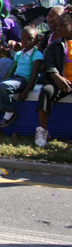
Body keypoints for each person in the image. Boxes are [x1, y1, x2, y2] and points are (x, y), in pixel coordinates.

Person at [0, 26, 43, 131]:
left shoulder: (37, 55)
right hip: (15, 78)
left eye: (30, 38)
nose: (26, 41)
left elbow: (34, 74)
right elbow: (12, 69)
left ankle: (9, 111)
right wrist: (3, 80)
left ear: (37, 39)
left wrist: (26, 91)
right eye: (23, 38)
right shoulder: (19, 54)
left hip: (24, 80)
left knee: (6, 86)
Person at [35, 12, 72, 147]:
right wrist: (58, 78)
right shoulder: (54, 45)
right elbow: (49, 65)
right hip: (60, 80)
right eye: (57, 25)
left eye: (62, 25)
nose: (58, 29)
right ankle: (42, 131)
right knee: (47, 91)